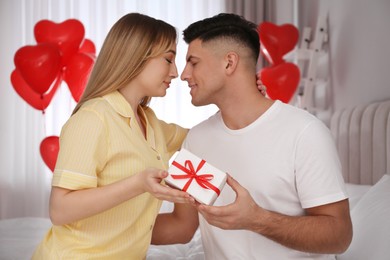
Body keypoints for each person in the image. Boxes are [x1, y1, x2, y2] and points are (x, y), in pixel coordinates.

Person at [153, 13, 353, 259]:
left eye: (193, 62)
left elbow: (340, 236)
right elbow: (182, 226)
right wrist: (104, 230)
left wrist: (257, 220)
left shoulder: (305, 133)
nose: (183, 74)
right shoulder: (196, 139)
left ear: (229, 63)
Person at [31, 13, 198, 259]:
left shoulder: (150, 123)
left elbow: (202, 136)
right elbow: (60, 209)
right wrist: (138, 184)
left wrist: (247, 98)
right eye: (168, 59)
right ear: (136, 57)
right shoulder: (94, 119)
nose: (175, 72)